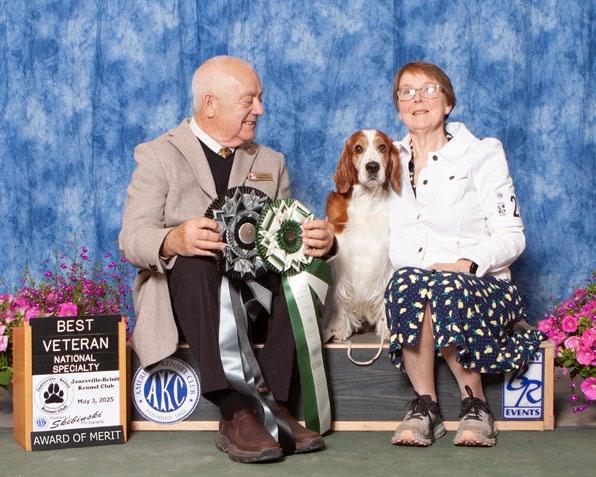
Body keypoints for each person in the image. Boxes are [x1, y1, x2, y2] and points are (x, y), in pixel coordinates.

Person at [119, 56, 334, 463]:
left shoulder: (270, 161)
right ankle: (236, 412)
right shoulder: (158, 154)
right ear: (210, 104)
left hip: (254, 299)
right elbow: (132, 238)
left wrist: (317, 241)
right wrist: (173, 239)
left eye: (260, 98)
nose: (260, 109)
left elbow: (286, 237)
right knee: (196, 261)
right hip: (192, 299)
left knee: (303, 270)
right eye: (249, 100)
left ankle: (276, 407)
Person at [385, 61, 543, 447]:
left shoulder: (482, 153)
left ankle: (476, 404)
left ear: (448, 103)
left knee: (445, 284)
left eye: (429, 90)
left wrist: (467, 263)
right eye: (407, 92)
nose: (417, 99)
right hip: (413, 289)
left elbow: (512, 236)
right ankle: (425, 406)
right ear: (398, 107)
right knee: (407, 279)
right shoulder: (386, 157)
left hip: (481, 286)